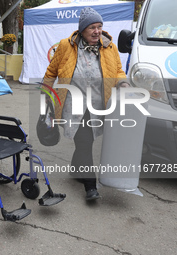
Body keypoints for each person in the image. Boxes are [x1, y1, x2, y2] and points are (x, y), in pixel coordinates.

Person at [43, 7, 128, 201]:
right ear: (82, 30)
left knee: (86, 142)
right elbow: (51, 72)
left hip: (99, 104)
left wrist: (122, 82)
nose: (97, 31)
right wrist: (45, 94)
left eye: (99, 27)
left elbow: (117, 70)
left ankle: (75, 168)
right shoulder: (66, 46)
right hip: (74, 105)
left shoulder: (109, 47)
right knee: (84, 142)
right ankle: (91, 187)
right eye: (92, 27)